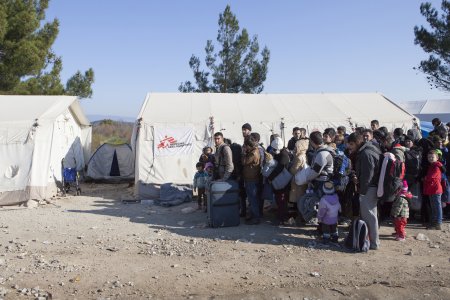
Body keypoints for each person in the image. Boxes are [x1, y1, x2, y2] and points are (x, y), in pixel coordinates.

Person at [347, 132, 382, 250]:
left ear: (357, 142)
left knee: (370, 216)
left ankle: (373, 243)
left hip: (369, 188)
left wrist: (362, 190)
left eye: (351, 144)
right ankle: (367, 240)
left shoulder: (366, 153)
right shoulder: (367, 150)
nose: (349, 147)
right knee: (368, 215)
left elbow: (368, 175)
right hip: (369, 187)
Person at [267, 136, 291, 225]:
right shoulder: (282, 153)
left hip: (282, 182)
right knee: (280, 200)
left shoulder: (283, 155)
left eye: (274, 149)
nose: (273, 150)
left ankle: (282, 218)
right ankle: (281, 216)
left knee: (282, 200)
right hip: (280, 181)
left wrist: (270, 178)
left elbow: (279, 169)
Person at [242, 136, 262, 225]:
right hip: (251, 178)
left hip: (252, 179)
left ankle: (256, 218)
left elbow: (244, 161)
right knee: (252, 199)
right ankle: (253, 216)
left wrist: (243, 153)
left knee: (252, 199)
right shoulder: (254, 151)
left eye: (246, 146)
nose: (245, 148)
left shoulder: (253, 153)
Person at [423, 150, 444, 230]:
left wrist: (425, 178)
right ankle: (434, 222)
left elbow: (432, 177)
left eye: (432, 157)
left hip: (436, 189)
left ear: (437, 158)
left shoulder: (436, 165)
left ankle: (438, 223)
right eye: (429, 157)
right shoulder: (432, 165)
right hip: (432, 189)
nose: (430, 158)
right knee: (433, 206)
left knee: (437, 206)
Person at [288, 139, 309, 208]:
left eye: (296, 147)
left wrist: (289, 169)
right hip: (302, 180)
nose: (295, 148)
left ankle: (297, 215)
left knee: (297, 199)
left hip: (297, 181)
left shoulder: (299, 157)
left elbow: (294, 170)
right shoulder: (304, 155)